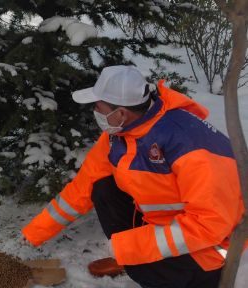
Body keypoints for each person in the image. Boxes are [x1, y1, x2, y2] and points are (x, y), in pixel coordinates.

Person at [21, 65, 244, 288]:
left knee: (140, 263)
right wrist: (33, 234)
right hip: (169, 227)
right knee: (102, 187)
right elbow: (82, 187)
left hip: (213, 248)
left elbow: (210, 225)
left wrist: (130, 248)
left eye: (99, 107)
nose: (95, 113)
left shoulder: (189, 144)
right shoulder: (119, 134)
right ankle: (134, 258)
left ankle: (153, 269)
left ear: (121, 113)